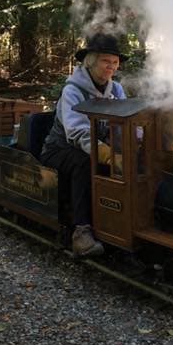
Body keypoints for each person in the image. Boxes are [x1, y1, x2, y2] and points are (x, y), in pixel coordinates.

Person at [39, 33, 128, 257]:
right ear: (91, 61)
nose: (111, 66)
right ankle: (81, 231)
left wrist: (135, 142)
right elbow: (76, 131)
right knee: (84, 162)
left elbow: (128, 119)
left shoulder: (116, 90)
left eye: (115, 62)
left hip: (98, 148)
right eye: (105, 61)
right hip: (59, 150)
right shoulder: (72, 91)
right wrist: (105, 153)